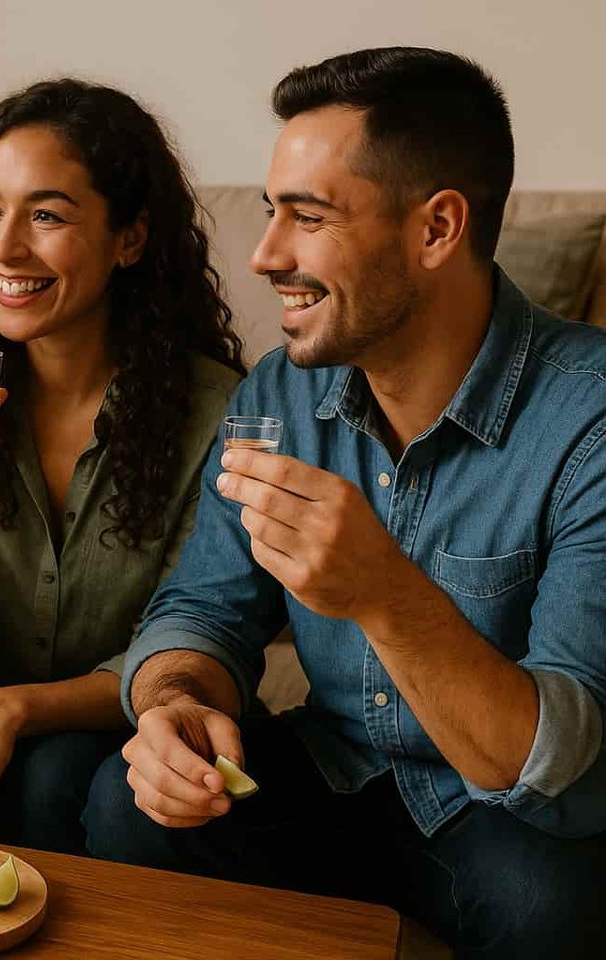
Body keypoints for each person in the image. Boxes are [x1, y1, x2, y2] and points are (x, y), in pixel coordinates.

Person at [82, 47, 606, 957]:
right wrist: (176, 700)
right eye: (271, 210)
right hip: (331, 768)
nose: (265, 253)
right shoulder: (280, 394)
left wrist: (382, 591)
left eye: (309, 217)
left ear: (437, 228)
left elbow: (551, 758)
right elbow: (204, 607)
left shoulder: (589, 419)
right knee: (121, 805)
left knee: (552, 908)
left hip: (506, 814)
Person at [0, 78, 244, 854]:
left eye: (45, 215)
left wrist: (14, 708)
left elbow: (193, 636)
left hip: (130, 715)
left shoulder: (213, 413)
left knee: (57, 775)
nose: (4, 247)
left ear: (130, 239)